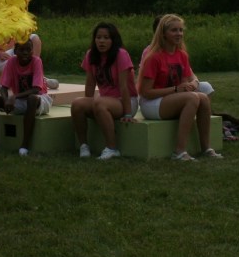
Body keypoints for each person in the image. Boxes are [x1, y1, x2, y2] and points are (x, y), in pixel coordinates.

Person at [136, 14, 222, 161]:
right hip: (151, 104)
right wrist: (176, 89)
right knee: (192, 98)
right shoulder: (153, 57)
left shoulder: (182, 55)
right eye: (174, 30)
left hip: (169, 100)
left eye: (181, 30)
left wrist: (188, 86)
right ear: (163, 33)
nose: (179, 34)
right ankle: (179, 151)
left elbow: (186, 84)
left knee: (203, 98)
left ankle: (206, 147)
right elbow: (146, 92)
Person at [70, 22, 137, 160]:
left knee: (99, 103)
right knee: (77, 104)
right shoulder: (91, 55)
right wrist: (88, 104)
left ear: (113, 40)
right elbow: (90, 84)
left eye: (106, 38)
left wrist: (128, 113)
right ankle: (84, 146)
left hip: (126, 101)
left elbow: (124, 86)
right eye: (99, 37)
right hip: (104, 101)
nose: (102, 41)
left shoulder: (121, 54)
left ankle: (112, 148)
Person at [0, 36, 52, 156]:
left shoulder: (36, 61)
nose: (26, 53)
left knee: (32, 99)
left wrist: (14, 97)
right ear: (15, 51)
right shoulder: (11, 62)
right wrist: (6, 101)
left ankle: (24, 146)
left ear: (32, 50)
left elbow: (36, 89)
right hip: (20, 101)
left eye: (28, 49)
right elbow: (3, 87)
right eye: (22, 50)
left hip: (40, 100)